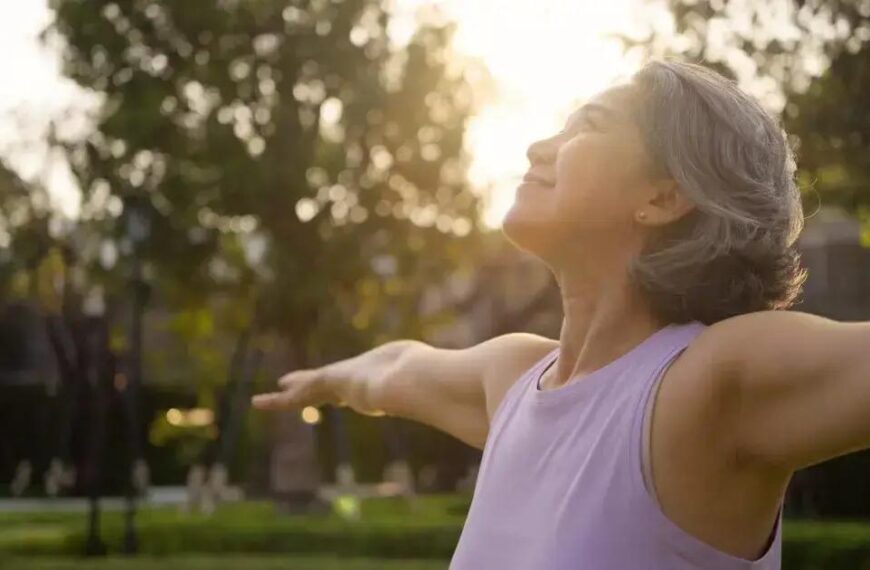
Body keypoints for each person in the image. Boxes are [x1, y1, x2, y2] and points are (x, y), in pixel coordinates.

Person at [252, 60, 865, 569]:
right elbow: (396, 367)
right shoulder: (514, 379)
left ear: (663, 196)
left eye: (586, 127)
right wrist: (325, 380)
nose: (538, 146)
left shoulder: (706, 383)